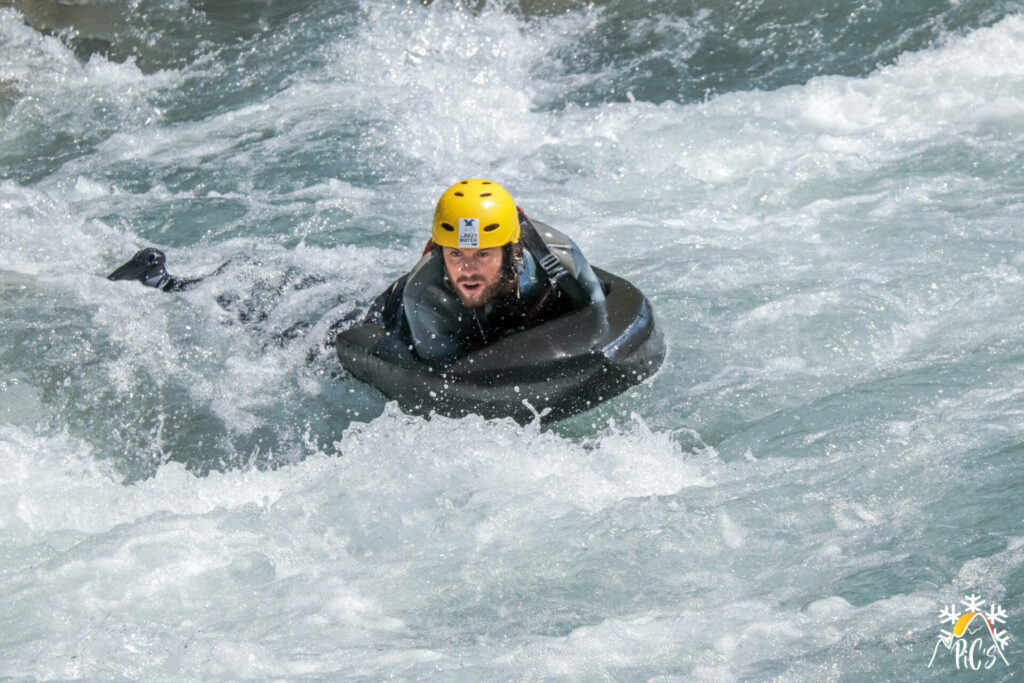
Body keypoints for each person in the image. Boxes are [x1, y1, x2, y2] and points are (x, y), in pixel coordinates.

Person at [366, 178, 605, 363]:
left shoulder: (560, 258)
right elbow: (447, 384)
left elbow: (600, 323)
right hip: (395, 317)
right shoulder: (425, 296)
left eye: (482, 254)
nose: (467, 270)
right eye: (456, 254)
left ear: (511, 252)